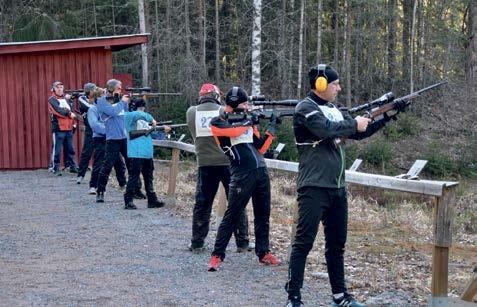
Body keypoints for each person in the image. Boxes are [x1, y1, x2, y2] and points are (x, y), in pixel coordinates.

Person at [285, 64, 404, 307]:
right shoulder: (305, 109)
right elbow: (325, 130)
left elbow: (360, 131)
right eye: (335, 84)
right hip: (314, 187)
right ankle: (294, 297)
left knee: (337, 244)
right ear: (320, 85)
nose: (339, 88)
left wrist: (388, 115)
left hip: (337, 188)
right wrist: (354, 124)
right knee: (303, 243)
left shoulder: (332, 109)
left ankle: (340, 296)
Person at [207, 86, 280, 271]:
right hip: (241, 173)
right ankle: (217, 256)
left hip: (260, 170)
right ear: (233, 104)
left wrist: (271, 129)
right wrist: (249, 121)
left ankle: (263, 253)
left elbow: (260, 148)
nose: (247, 106)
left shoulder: (246, 121)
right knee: (232, 215)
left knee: (263, 215)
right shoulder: (218, 122)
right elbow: (233, 132)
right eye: (244, 103)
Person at [186, 83, 253, 253]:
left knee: (202, 204)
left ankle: (197, 242)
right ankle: (242, 243)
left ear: (201, 96)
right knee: (236, 203)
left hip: (205, 163)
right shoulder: (223, 111)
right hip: (228, 162)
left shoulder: (191, 112)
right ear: (217, 96)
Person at [123, 98, 170, 210]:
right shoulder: (129, 116)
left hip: (147, 153)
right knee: (133, 177)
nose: (142, 110)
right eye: (141, 107)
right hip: (136, 153)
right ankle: (128, 200)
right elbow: (139, 115)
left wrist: (163, 129)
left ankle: (152, 200)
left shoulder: (144, 118)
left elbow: (152, 131)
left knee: (149, 177)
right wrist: (150, 118)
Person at [95, 79, 131, 203]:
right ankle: (100, 192)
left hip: (124, 137)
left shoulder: (120, 100)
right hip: (112, 139)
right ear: (111, 89)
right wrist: (122, 102)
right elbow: (113, 112)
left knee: (131, 164)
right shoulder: (101, 101)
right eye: (119, 88)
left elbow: (125, 115)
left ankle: (134, 190)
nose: (121, 90)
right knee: (107, 166)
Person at [87, 87, 127, 195]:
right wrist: (109, 130)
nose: (107, 96)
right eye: (104, 94)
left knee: (119, 162)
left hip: (112, 137)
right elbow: (95, 125)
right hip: (100, 138)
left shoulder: (111, 106)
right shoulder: (93, 109)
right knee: (100, 163)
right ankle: (93, 186)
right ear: (99, 97)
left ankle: (123, 184)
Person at [48, 81, 78, 176]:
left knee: (70, 148)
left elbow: (70, 108)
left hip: (68, 127)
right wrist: (69, 113)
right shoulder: (52, 99)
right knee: (57, 149)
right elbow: (58, 110)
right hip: (58, 127)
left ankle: (71, 166)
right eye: (58, 87)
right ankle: (55, 167)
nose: (60, 89)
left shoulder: (66, 98)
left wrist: (71, 100)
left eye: (61, 87)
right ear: (53, 89)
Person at [76, 83, 98, 184]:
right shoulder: (81, 98)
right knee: (86, 153)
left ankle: (100, 175)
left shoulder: (98, 98)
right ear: (89, 91)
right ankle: (80, 175)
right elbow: (90, 107)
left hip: (99, 128)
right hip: (89, 128)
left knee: (101, 153)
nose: (96, 91)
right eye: (94, 90)